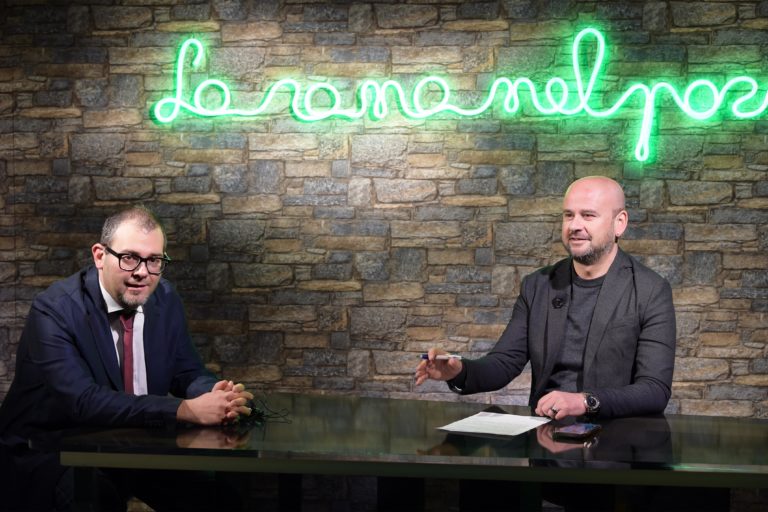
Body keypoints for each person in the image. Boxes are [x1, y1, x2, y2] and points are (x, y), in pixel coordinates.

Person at [0, 206, 254, 511]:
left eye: (154, 260)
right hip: (52, 448)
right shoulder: (54, 311)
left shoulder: (165, 299)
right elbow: (83, 401)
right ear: (99, 256)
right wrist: (185, 409)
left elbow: (186, 371)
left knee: (220, 499)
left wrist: (216, 394)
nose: (142, 272)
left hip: (130, 442)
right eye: (130, 257)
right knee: (98, 499)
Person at [415, 175, 676, 420]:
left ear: (619, 223)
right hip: (546, 434)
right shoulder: (538, 285)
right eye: (568, 215)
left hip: (613, 437)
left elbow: (654, 390)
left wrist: (585, 401)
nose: (575, 226)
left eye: (588, 215)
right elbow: (504, 363)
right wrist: (459, 371)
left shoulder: (651, 290)